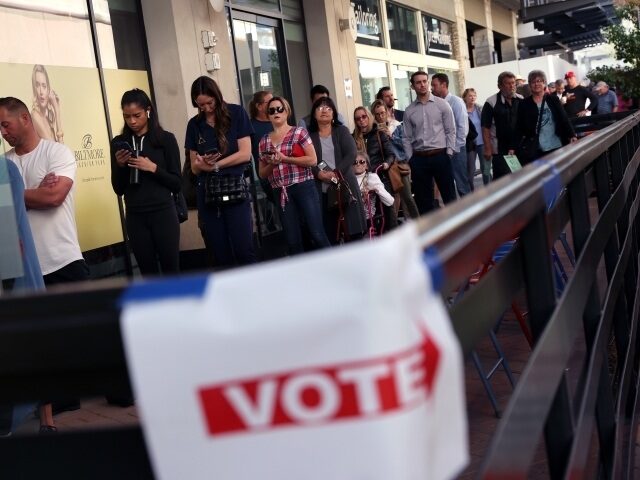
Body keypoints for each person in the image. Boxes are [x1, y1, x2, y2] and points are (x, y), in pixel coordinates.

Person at [0, 96, 89, 416]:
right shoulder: (6, 164)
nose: (2, 132)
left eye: (5, 124)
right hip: (26, 265)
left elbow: (53, 196)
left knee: (86, 330)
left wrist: (13, 193)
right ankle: (62, 398)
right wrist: (31, 192)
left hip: (63, 257)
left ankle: (119, 388)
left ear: (25, 118)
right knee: (42, 339)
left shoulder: (56, 152)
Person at [185, 76, 256, 268]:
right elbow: (193, 166)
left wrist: (217, 165)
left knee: (243, 248)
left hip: (233, 186)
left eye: (209, 102)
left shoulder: (236, 113)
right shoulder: (194, 125)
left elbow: (245, 154)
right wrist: (201, 163)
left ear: (217, 96)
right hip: (208, 193)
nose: (206, 108)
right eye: (201, 105)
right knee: (220, 252)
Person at [110, 89, 182, 275]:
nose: (132, 121)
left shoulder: (166, 139)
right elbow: (118, 188)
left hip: (163, 213)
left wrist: (153, 168)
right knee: (148, 273)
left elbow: (177, 183)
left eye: (137, 115)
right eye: (127, 116)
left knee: (171, 271)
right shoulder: (119, 142)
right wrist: (120, 165)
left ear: (148, 111)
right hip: (135, 216)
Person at [258, 96, 330, 254]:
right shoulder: (264, 141)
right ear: (267, 115)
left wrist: (285, 159)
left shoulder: (298, 132)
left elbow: (313, 160)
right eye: (271, 110)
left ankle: (336, 270)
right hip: (281, 191)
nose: (276, 112)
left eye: (279, 109)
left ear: (287, 111)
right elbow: (262, 173)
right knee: (292, 240)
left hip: (303, 187)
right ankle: (301, 276)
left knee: (317, 233)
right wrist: (273, 163)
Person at [307, 96, 366, 243]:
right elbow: (310, 159)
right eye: (320, 108)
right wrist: (320, 173)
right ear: (314, 114)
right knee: (329, 233)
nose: (324, 111)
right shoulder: (309, 135)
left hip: (345, 186)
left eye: (328, 108)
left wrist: (335, 173)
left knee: (353, 232)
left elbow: (351, 153)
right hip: (322, 188)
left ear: (333, 113)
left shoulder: (342, 131)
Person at [402, 71, 456, 214]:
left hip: (441, 156)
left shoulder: (442, 104)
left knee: (449, 197)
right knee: (424, 201)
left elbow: (451, 130)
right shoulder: (409, 111)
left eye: (425, 81)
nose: (422, 85)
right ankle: (432, 233)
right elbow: (406, 137)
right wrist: (410, 159)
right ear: (413, 86)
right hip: (419, 159)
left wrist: (449, 153)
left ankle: (458, 231)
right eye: (418, 82)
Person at [370, 99, 419, 219]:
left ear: (387, 112)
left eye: (382, 113)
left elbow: (405, 144)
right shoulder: (373, 130)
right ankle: (395, 224)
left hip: (399, 165)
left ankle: (417, 222)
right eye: (377, 114)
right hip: (384, 166)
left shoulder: (396, 125)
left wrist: (390, 136)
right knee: (391, 198)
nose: (381, 116)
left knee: (407, 196)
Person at [515, 70, 577, 164]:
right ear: (530, 85)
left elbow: (563, 117)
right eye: (533, 82)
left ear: (544, 83)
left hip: (556, 144)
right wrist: (513, 146)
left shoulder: (553, 99)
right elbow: (519, 126)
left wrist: (572, 134)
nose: (536, 84)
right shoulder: (524, 104)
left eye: (539, 81)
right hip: (536, 148)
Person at [352, 106, 397, 229]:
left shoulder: (379, 134)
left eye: (363, 116)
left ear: (369, 116)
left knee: (388, 213)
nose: (361, 120)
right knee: (368, 215)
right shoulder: (353, 138)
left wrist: (386, 164)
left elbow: (391, 154)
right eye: (357, 118)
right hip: (361, 180)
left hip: (381, 176)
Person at [431, 73, 469, 197]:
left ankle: (471, 213)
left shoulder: (456, 102)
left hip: (456, 150)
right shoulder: (435, 103)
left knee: (462, 185)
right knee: (447, 186)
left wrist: (454, 149)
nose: (431, 88)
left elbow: (462, 128)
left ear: (444, 85)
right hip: (442, 150)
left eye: (434, 85)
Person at [481, 71, 524, 180]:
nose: (512, 86)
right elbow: (485, 126)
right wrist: (487, 148)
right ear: (499, 86)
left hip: (519, 146)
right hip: (500, 149)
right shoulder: (491, 102)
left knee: (520, 177)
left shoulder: (521, 99)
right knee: (503, 179)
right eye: (508, 83)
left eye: (513, 83)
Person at [352, 151, 394, 237]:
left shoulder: (372, 177)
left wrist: (376, 189)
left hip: (366, 219)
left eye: (362, 161)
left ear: (367, 165)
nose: (358, 164)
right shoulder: (347, 179)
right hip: (350, 218)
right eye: (355, 162)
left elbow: (390, 201)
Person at [30, 65, 64, 143]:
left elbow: (61, 150)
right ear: (34, 88)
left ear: (48, 89)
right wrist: (56, 110)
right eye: (37, 85)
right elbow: (58, 151)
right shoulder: (35, 116)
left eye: (44, 86)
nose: (41, 92)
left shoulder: (46, 117)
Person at [463, 88, 489, 186]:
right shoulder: (462, 110)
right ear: (465, 97)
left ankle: (489, 190)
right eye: (470, 95)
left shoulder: (480, 108)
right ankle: (470, 192)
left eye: (474, 95)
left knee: (485, 168)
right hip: (470, 144)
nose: (472, 97)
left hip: (482, 142)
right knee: (470, 170)